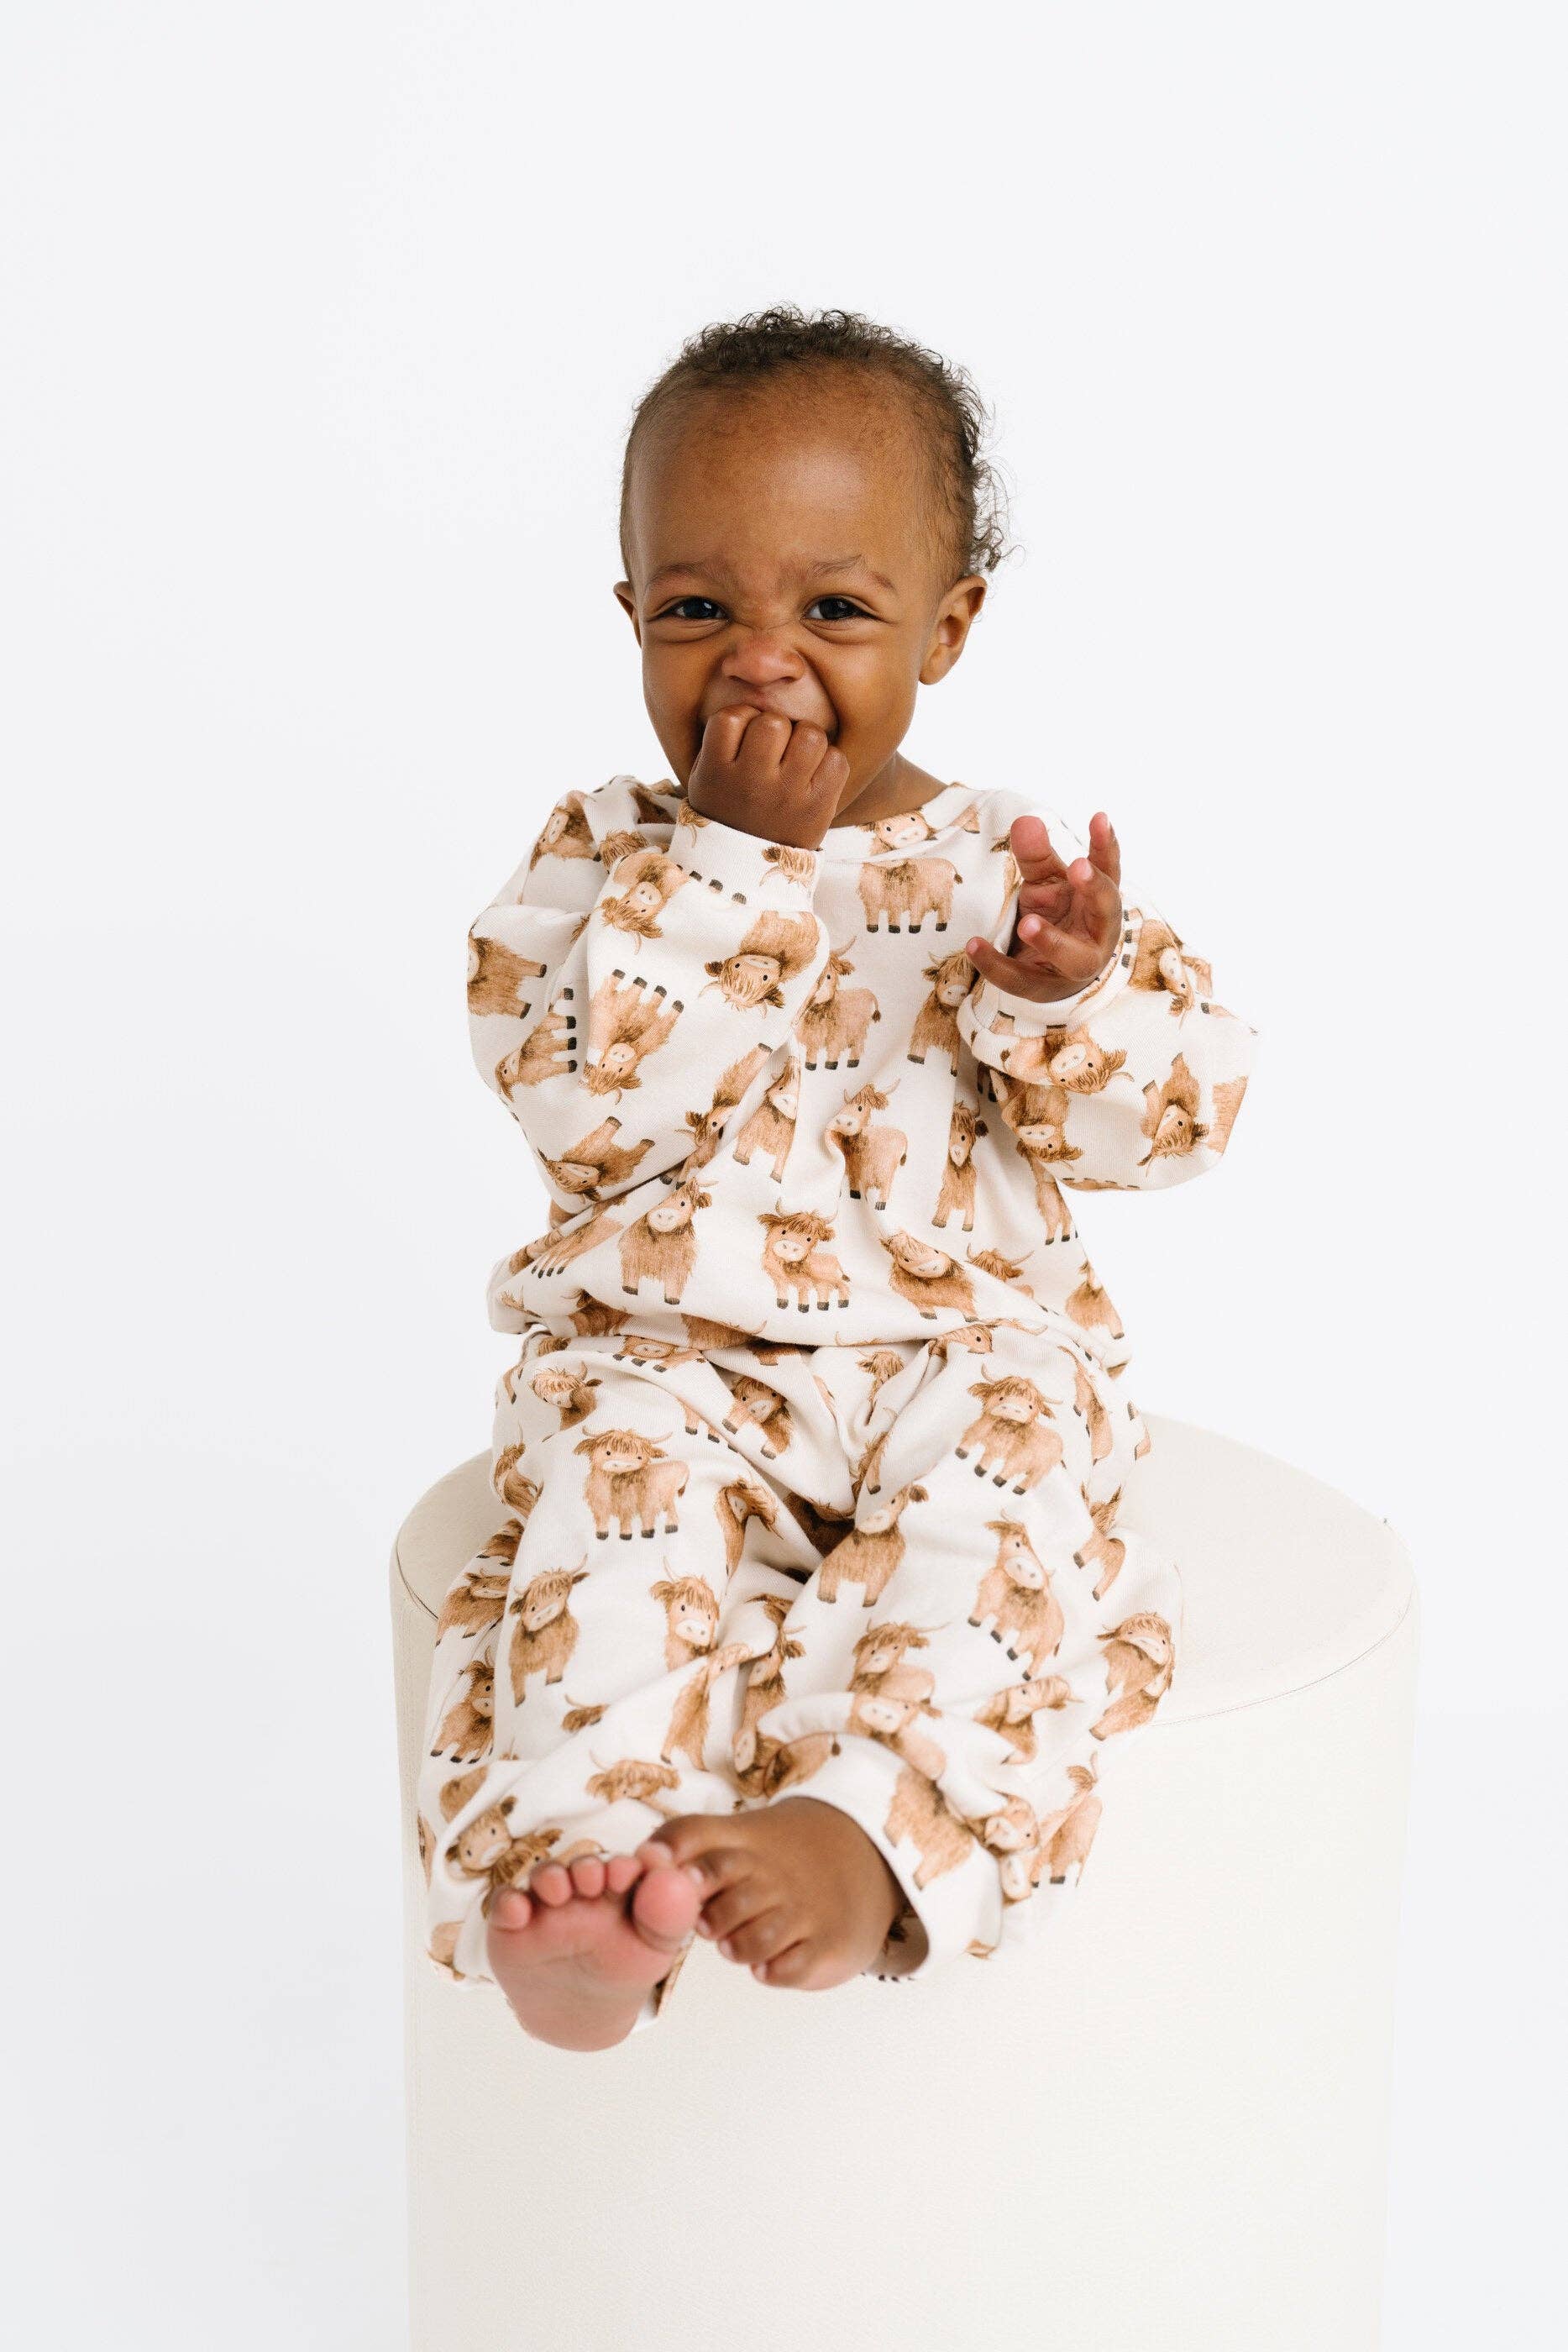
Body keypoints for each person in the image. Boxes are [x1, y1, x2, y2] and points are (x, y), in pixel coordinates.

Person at [417, 304, 1259, 2051]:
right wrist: (731, 864)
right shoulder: (600, 863)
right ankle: (585, 1883)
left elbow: (1175, 1126)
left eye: (836, 613)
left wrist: (1074, 997)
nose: (760, 665)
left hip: (965, 1355)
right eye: (696, 611)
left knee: (998, 1526)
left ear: (946, 628)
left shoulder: (1002, 870)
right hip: (675, 1359)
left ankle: (870, 1831)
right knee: (607, 1538)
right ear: (630, 614)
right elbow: (588, 1117)